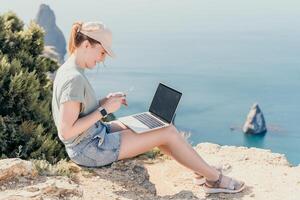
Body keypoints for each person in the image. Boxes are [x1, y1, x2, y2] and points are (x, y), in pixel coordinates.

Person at [51, 21, 245, 194]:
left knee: (153, 126)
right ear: (86, 45)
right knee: (167, 131)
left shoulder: (70, 70)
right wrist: (105, 110)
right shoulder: (74, 79)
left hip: (94, 136)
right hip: (90, 149)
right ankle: (214, 179)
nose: (102, 59)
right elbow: (66, 131)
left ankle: (201, 170)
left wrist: (103, 101)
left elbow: (78, 111)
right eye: (102, 52)